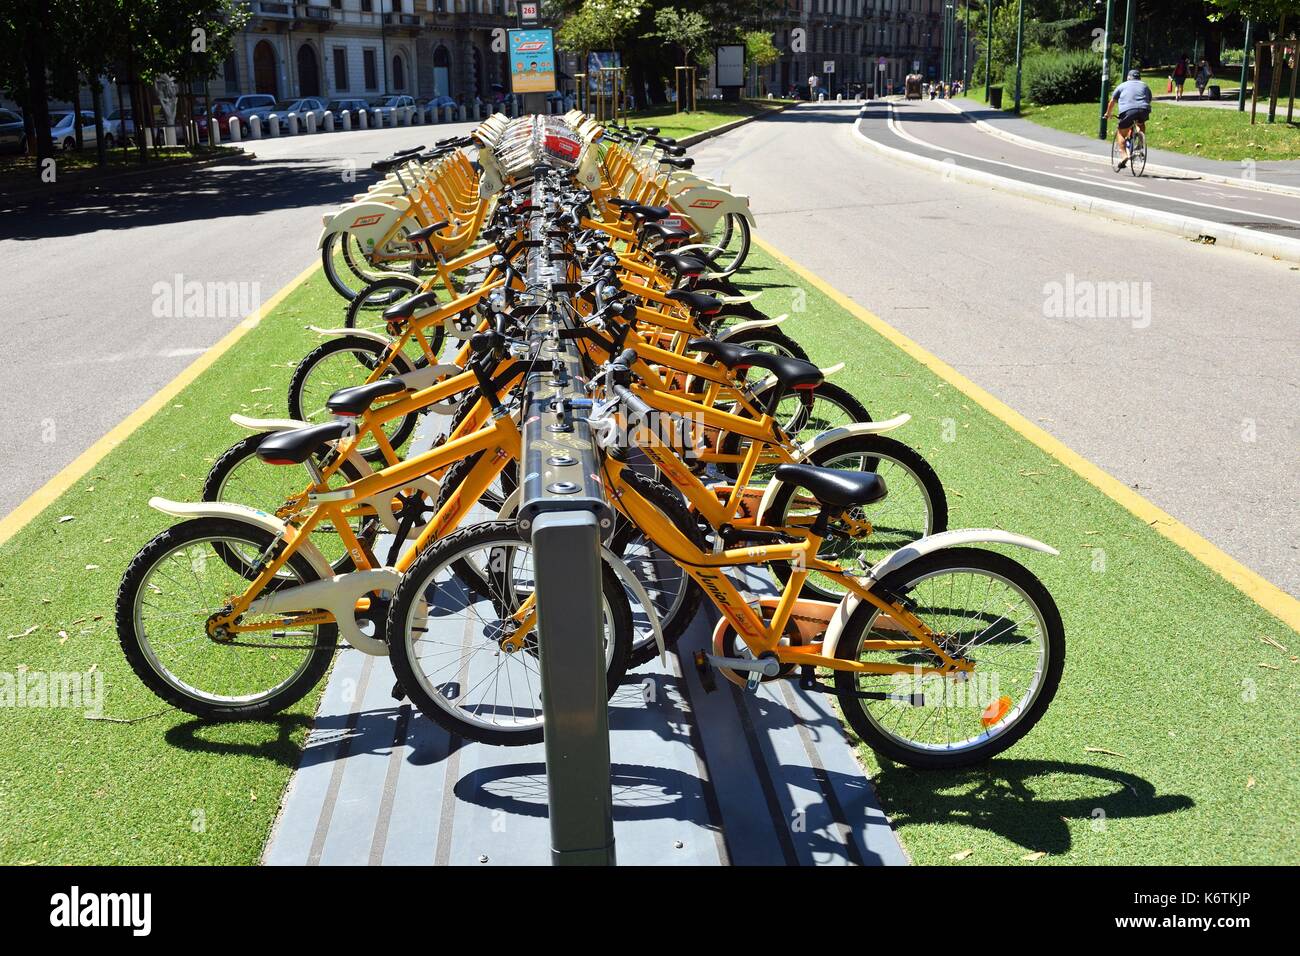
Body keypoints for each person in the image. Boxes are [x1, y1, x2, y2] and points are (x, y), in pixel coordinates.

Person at [1105, 69, 1152, 170]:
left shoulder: (1122, 85)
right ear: (1139, 78)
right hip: (1144, 109)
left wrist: (1108, 114)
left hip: (1128, 111)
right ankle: (1140, 143)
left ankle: (1124, 155)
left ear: (1128, 77)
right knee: (1141, 123)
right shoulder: (1144, 85)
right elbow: (1149, 98)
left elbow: (1112, 101)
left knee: (1121, 132)